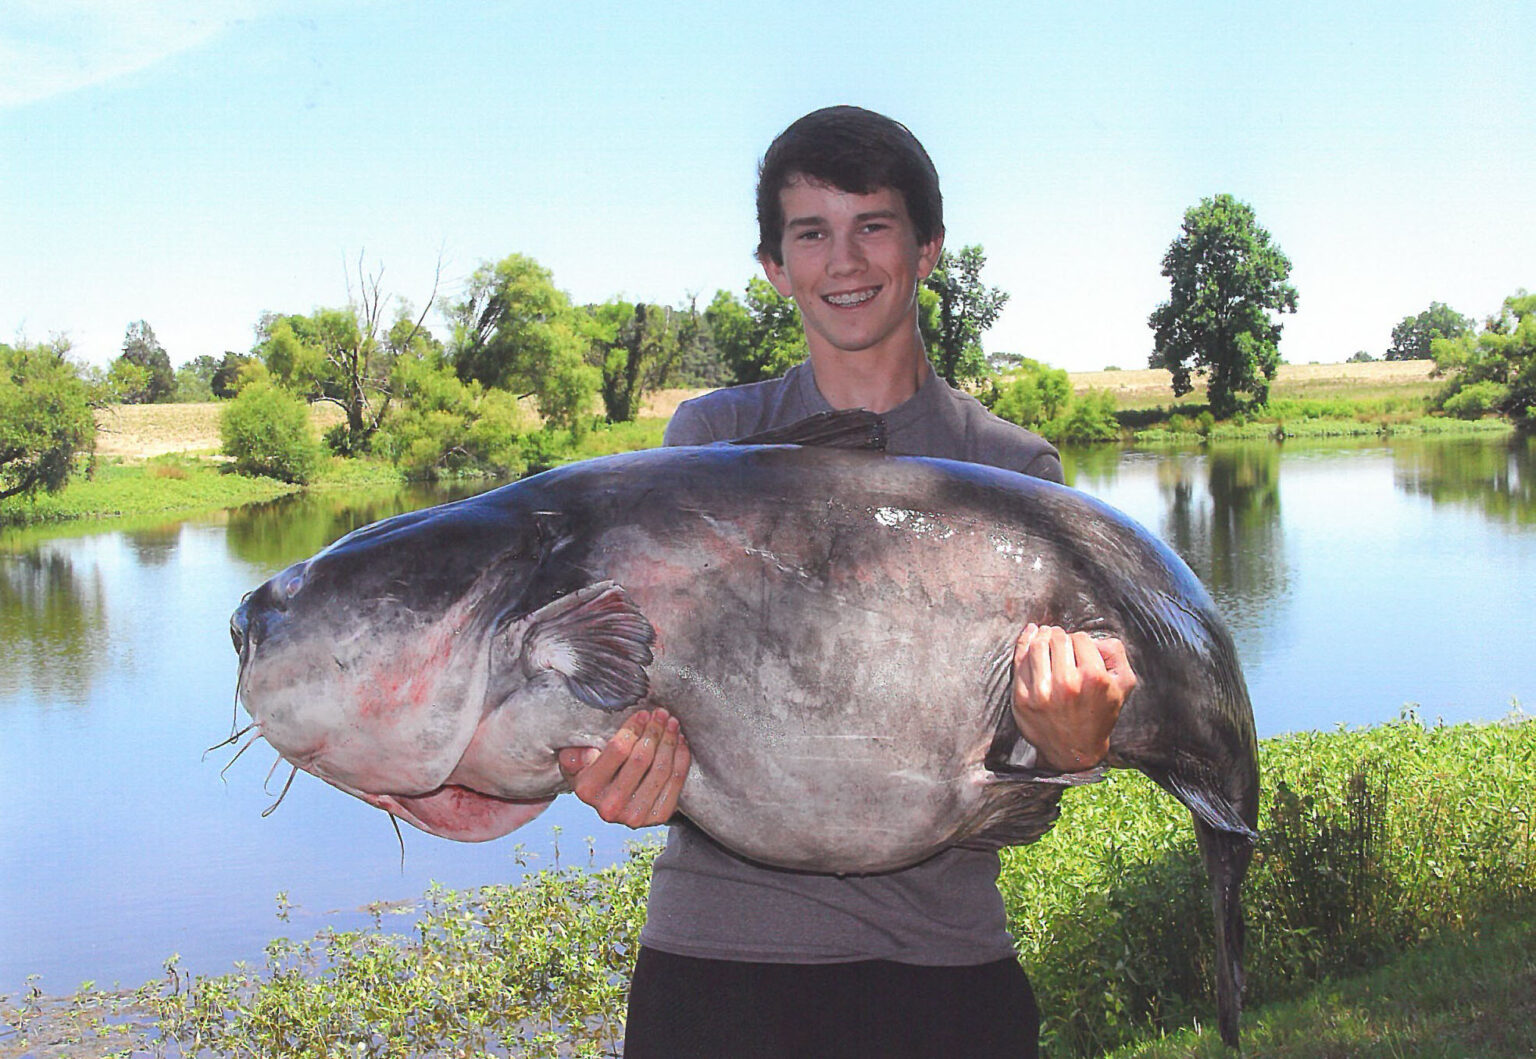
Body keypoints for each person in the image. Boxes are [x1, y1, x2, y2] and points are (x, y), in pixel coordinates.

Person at [556, 105, 1137, 1058]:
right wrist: (617, 762)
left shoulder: (1009, 469)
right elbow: (645, 685)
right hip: (716, 967)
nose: (847, 260)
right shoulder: (706, 446)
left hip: (944, 970)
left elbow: (1021, 773)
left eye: (874, 224)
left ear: (929, 247)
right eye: (812, 233)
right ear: (776, 269)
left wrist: (1071, 747)